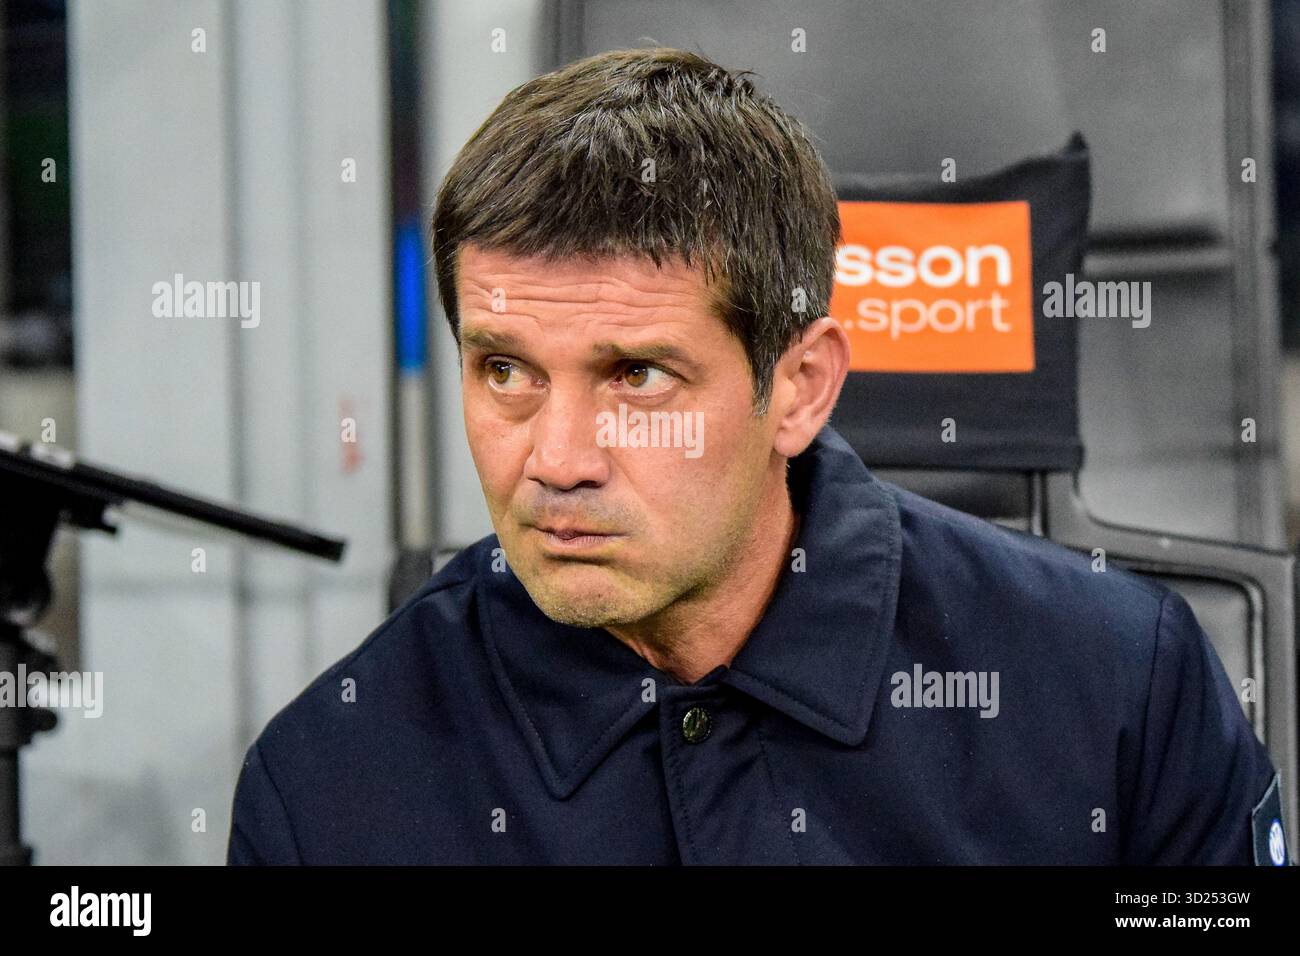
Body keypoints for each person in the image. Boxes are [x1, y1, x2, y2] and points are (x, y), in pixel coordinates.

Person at [227, 47, 1289, 865]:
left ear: (799, 387)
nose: (555, 458)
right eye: (505, 369)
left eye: (636, 375)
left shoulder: (1116, 687)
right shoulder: (332, 781)